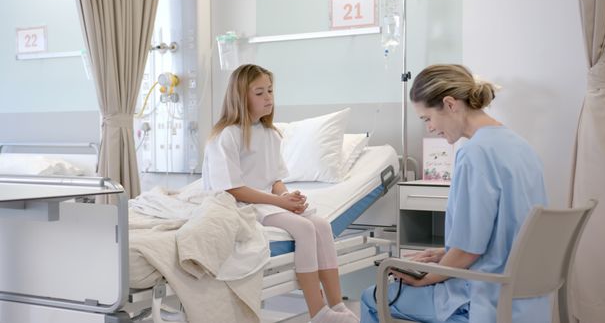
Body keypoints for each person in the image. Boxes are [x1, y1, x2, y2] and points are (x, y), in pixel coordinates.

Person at [360, 64, 551, 323]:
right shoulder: (521, 147)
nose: (429, 128)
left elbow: (469, 251)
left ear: (450, 104)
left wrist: (426, 276)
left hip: (485, 298)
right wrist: (443, 253)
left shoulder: (474, 154)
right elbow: (502, 234)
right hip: (528, 300)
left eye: (427, 118)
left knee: (373, 295)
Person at [202, 64, 358, 323]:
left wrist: (288, 196)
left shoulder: (271, 134)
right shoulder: (227, 135)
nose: (269, 98)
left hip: (268, 201)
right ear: (241, 97)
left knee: (321, 225)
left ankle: (337, 305)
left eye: (271, 91)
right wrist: (279, 202)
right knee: (304, 229)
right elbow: (232, 187)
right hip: (240, 203)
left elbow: (275, 178)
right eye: (260, 93)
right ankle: (317, 312)